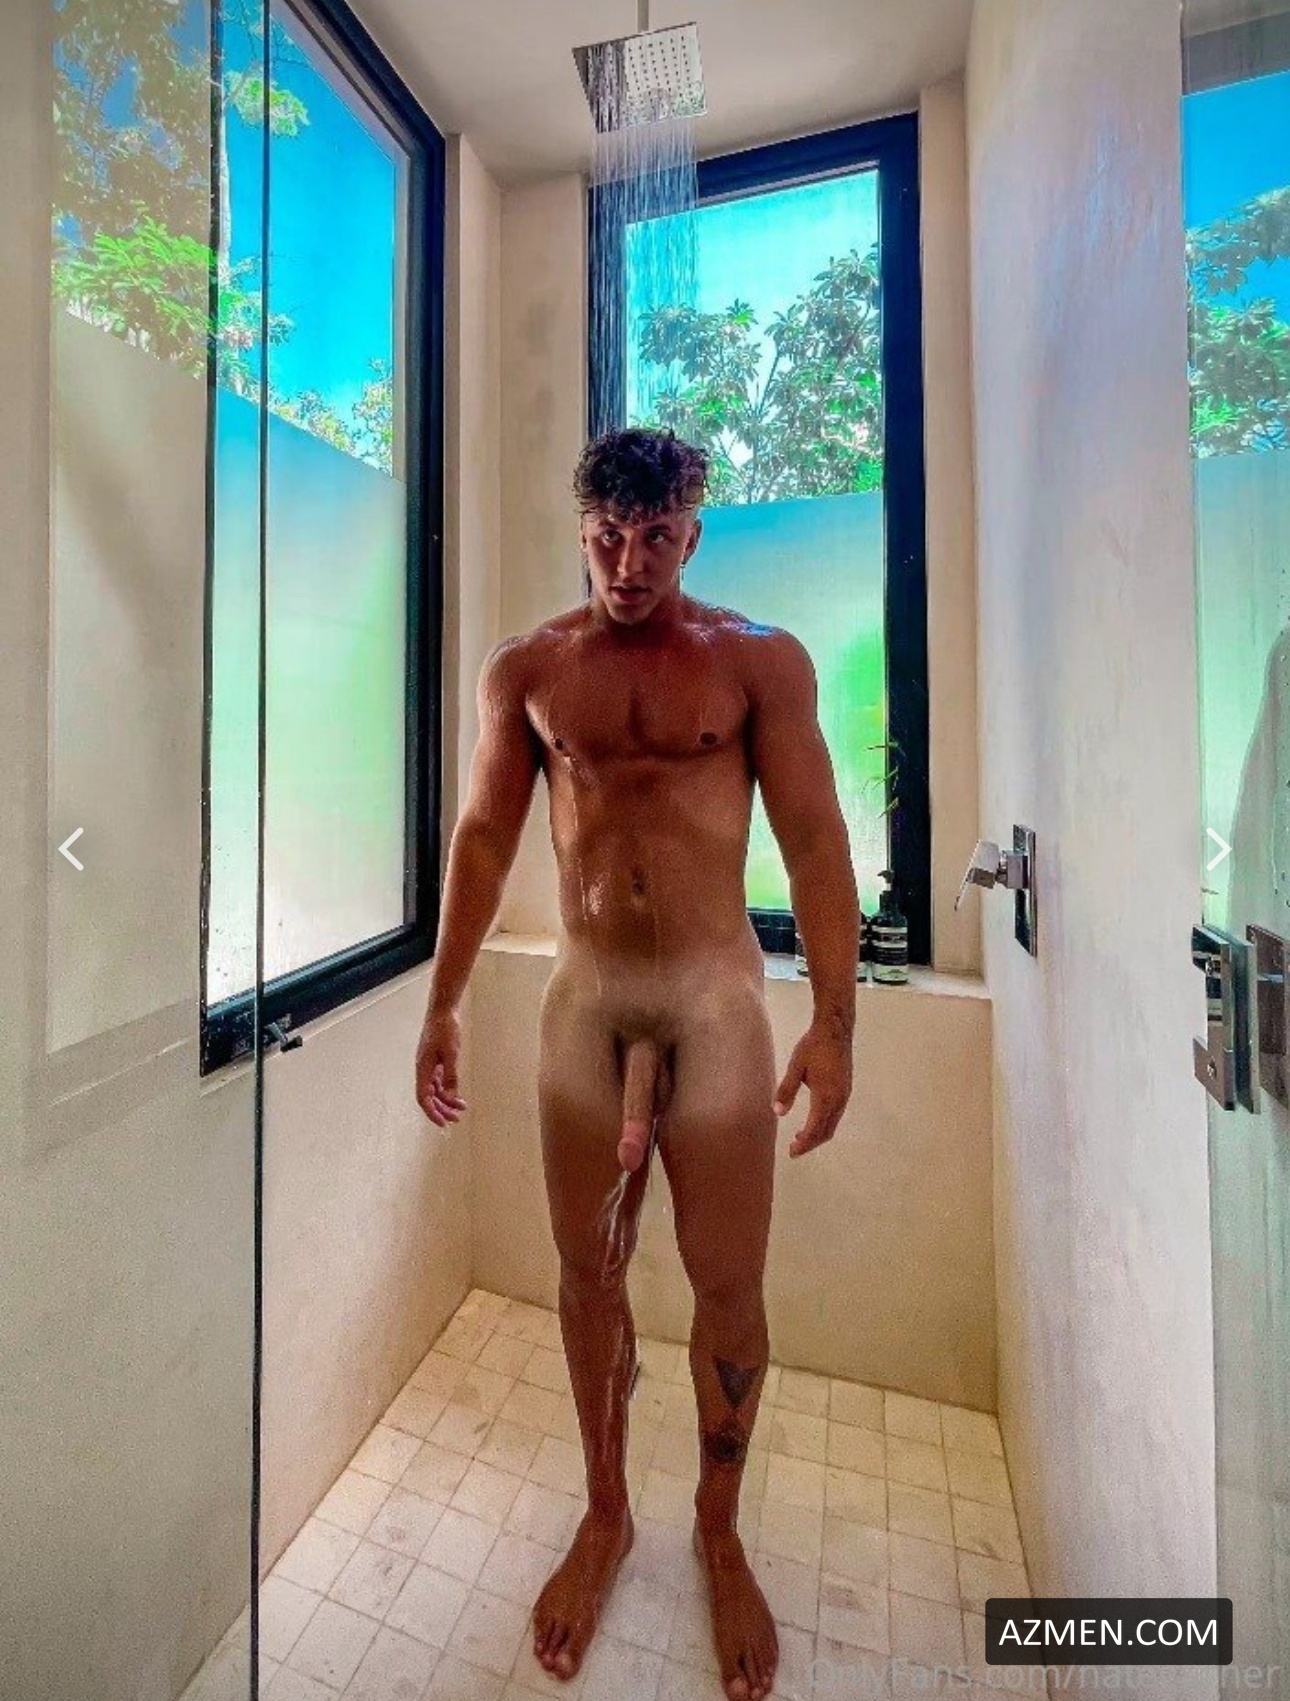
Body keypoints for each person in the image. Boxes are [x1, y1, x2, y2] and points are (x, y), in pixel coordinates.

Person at [415, 426, 859, 1701]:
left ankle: (718, 1533)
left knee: (730, 1284)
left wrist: (836, 1023)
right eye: (608, 537)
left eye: (657, 537)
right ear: (582, 530)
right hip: (588, 1006)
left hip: (717, 1009)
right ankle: (605, 1511)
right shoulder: (530, 670)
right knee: (584, 1272)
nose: (629, 564)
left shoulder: (759, 661)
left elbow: (817, 841)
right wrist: (443, 1003)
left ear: (694, 534)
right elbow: (484, 837)